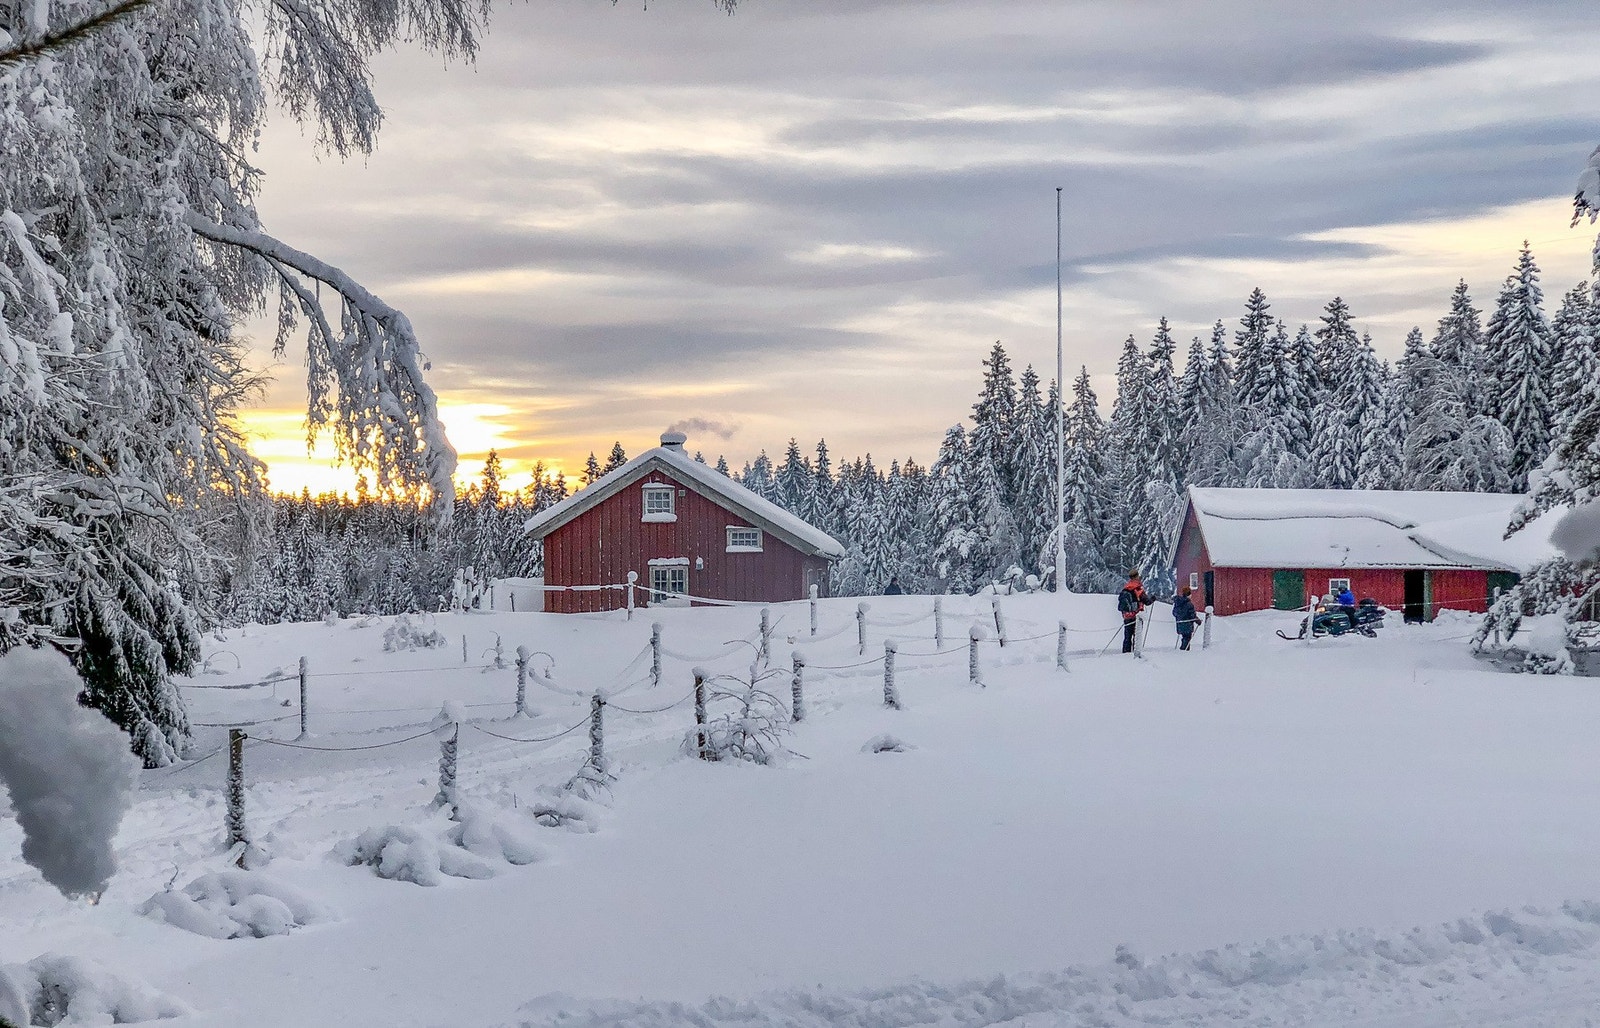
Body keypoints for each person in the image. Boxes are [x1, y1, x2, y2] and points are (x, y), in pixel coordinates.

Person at [1117, 570, 1149, 653]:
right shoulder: (1138, 588)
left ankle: (1126, 652)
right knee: (1137, 635)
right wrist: (1152, 598)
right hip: (1137, 615)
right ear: (1136, 576)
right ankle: (1136, 653)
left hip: (1127, 615)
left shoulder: (1126, 587)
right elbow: (1147, 601)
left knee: (1127, 636)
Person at [1173, 584, 1198, 651]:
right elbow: (1192, 615)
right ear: (1189, 595)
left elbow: (1174, 613)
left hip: (1180, 624)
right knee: (1187, 638)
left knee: (1184, 637)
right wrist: (1197, 620)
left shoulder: (1178, 603)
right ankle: (1184, 651)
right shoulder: (1189, 604)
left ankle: (1183, 649)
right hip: (1187, 625)